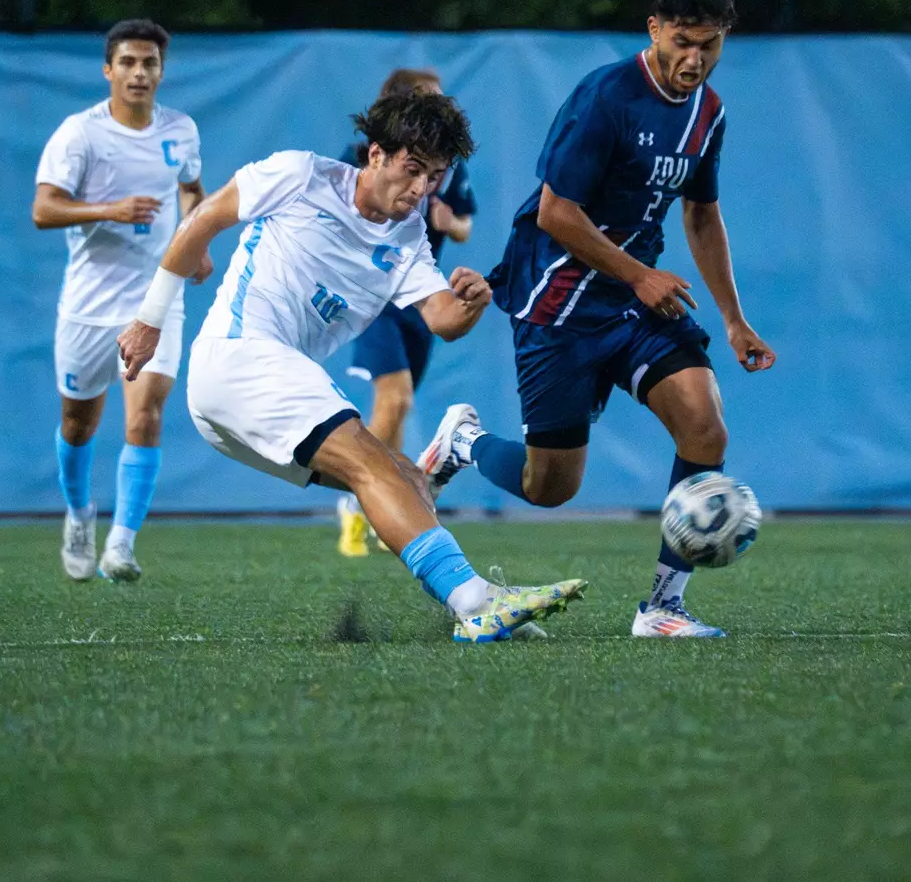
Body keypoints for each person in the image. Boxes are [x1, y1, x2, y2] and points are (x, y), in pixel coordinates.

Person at [115, 91, 586, 642]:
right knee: (374, 466)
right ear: (377, 154)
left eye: (434, 177)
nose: (420, 190)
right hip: (238, 358)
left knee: (407, 483)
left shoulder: (408, 236)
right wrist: (149, 319)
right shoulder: (299, 175)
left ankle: (466, 598)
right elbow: (206, 216)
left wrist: (473, 302)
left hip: (249, 398)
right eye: (412, 170)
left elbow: (442, 319)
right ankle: (476, 600)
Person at [417, 0, 776, 638]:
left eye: (710, 45)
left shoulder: (708, 114)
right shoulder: (606, 96)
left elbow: (701, 216)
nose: (694, 61)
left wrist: (734, 320)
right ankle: (463, 442)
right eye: (682, 43)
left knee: (705, 425)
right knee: (550, 487)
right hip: (557, 303)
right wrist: (639, 274)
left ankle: (662, 608)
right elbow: (556, 213)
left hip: (635, 305)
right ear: (654, 29)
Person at [32, 19, 204, 583]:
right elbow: (44, 209)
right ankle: (80, 515)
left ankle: (122, 545)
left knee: (147, 414)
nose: (138, 73)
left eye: (149, 63)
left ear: (161, 71)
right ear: (108, 70)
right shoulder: (79, 134)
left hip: (155, 297)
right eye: (127, 62)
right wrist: (109, 209)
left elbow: (191, 189)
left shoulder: (181, 131)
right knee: (79, 424)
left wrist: (195, 240)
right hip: (88, 303)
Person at [334, 68, 478, 558]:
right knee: (393, 401)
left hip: (421, 293)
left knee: (398, 407)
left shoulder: (449, 166)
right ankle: (363, 498)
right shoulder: (361, 160)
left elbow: (463, 225)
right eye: (430, 100)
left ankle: (376, 500)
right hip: (376, 297)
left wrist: (449, 223)